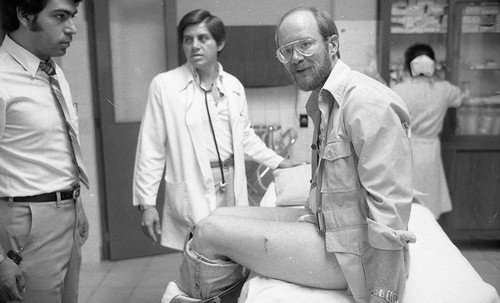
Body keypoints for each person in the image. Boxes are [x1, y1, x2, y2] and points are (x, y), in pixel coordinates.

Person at [163, 7, 416, 303]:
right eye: (286, 50)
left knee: (208, 232)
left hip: (354, 254)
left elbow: (390, 213)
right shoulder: (325, 102)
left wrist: (383, 295)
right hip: (328, 226)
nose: (295, 58)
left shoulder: (366, 102)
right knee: (214, 216)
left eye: (306, 45)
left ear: (332, 45)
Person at [132, 9, 302, 251]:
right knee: (199, 256)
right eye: (188, 40)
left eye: (203, 39)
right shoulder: (165, 86)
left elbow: (245, 136)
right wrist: (147, 203)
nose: (194, 46)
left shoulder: (233, 86)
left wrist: (278, 162)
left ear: (219, 43)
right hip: (193, 184)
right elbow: (151, 147)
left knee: (232, 252)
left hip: (230, 181)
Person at [0, 0, 89, 302]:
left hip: (67, 212)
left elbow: (55, 149)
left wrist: (76, 204)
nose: (72, 28)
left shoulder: (52, 71)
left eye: (73, 16)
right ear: (25, 14)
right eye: (60, 16)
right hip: (26, 221)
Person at [391, 43, 464, 219]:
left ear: (408, 65)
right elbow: (459, 99)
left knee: (409, 203)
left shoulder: (399, 90)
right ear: (433, 64)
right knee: (430, 201)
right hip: (431, 150)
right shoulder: (444, 89)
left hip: (407, 149)